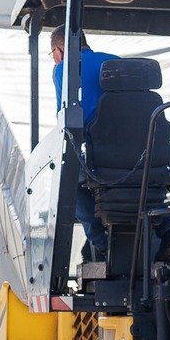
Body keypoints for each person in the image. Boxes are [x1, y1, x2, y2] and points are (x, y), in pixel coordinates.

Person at [53, 25, 119, 259]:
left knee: (69, 181)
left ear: (59, 51)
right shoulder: (115, 62)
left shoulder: (64, 69)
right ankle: (164, 229)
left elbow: (65, 120)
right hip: (142, 156)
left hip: (99, 157)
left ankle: (101, 243)